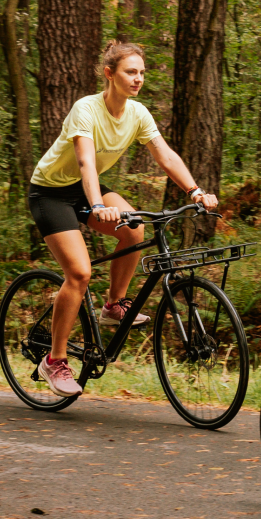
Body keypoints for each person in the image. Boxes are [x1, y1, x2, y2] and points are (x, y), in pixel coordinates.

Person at [27, 41, 217, 397]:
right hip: (51, 192)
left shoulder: (138, 114)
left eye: (142, 73)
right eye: (131, 71)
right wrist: (98, 205)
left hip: (85, 190)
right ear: (110, 74)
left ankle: (114, 305)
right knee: (80, 273)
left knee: (135, 228)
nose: (138, 79)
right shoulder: (86, 108)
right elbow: (85, 160)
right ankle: (54, 360)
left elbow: (165, 155)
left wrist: (195, 191)